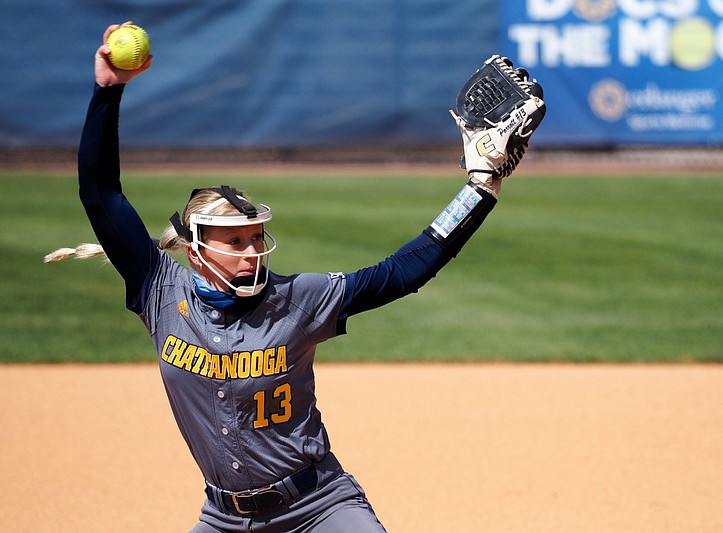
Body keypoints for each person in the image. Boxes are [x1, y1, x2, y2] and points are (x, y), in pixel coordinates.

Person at [47, 22, 543, 533]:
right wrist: (107, 92)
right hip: (222, 519)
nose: (251, 251)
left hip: (319, 507)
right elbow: (101, 194)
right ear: (196, 252)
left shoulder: (299, 299)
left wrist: (480, 188)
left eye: (256, 238)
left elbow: (404, 270)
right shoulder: (159, 291)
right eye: (235, 241)